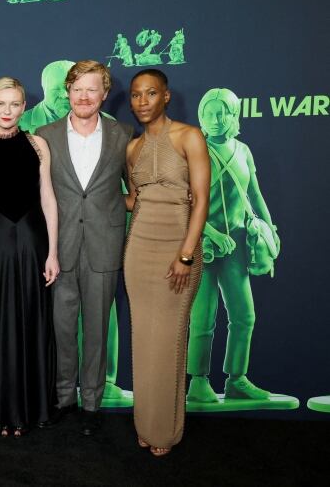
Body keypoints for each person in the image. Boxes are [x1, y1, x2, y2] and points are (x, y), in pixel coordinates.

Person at [32, 60, 133, 436]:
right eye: (77, 89)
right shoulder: (45, 134)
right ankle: (63, 398)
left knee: (96, 329)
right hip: (59, 246)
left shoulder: (123, 133)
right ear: (67, 93)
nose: (84, 96)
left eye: (92, 89)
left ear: (104, 94)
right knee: (60, 327)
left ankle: (91, 402)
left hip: (105, 245)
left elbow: (133, 191)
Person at [124, 69, 210, 456]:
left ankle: (166, 430)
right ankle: (146, 424)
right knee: (143, 342)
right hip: (138, 251)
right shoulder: (132, 149)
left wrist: (186, 254)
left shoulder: (189, 136)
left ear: (166, 97)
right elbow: (135, 199)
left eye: (151, 94)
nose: (142, 102)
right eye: (136, 95)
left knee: (170, 340)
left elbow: (201, 199)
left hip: (179, 248)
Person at [0, 77, 59, 437]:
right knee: (1, 321)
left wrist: (52, 252)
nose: (7, 111)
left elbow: (48, 199)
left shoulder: (38, 146)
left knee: (32, 320)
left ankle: (32, 407)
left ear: (24, 107)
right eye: (0, 104)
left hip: (33, 240)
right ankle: (4, 409)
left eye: (15, 104)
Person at [187, 88, 280, 403]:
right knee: (203, 316)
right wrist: (212, 234)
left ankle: (236, 378)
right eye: (209, 113)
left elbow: (254, 194)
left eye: (222, 112)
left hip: (239, 245)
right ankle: (198, 381)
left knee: (244, 315)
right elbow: (186, 202)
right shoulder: (193, 149)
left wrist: (271, 229)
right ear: (201, 116)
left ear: (233, 115)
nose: (215, 119)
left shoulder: (243, 150)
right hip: (204, 245)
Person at [19, 60, 75, 134]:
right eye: (56, 89)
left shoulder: (93, 123)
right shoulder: (17, 125)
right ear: (44, 88)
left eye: (70, 88)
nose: (65, 95)